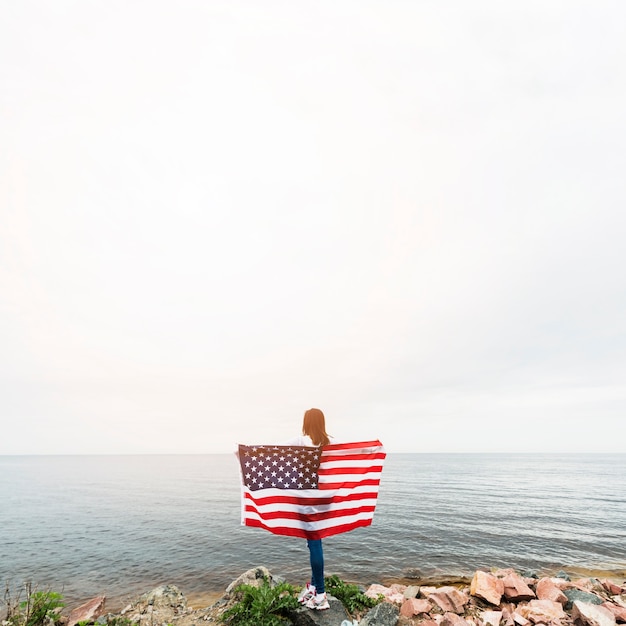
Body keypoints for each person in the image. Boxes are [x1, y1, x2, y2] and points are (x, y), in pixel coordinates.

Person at [286, 408, 332, 611]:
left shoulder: (299, 441)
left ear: (306, 423)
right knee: (315, 540)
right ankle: (314, 586)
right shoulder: (331, 443)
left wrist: (243, 453)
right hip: (325, 499)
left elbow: (274, 453)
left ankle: (321, 594)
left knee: (314, 543)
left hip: (308, 499)